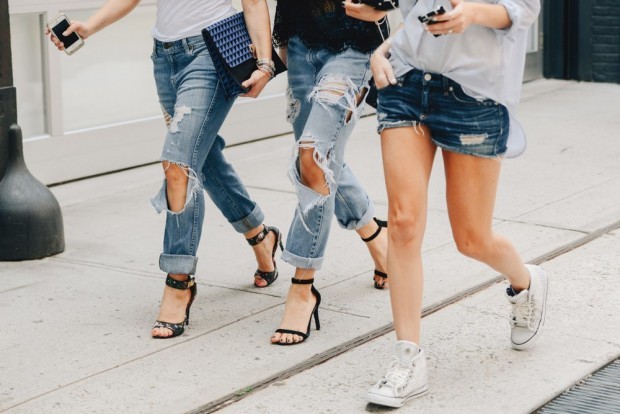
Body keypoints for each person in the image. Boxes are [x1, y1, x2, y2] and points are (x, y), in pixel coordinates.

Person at [48, 0, 284, 339]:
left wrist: (264, 63)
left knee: (178, 165)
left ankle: (179, 280)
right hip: (165, 56)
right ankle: (260, 234)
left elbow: (253, 2)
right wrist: (90, 26)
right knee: (199, 157)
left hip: (210, 53)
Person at [366, 0, 546, 408]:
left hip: (474, 95)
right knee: (403, 222)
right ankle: (407, 359)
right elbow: (414, 12)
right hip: (406, 83)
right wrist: (382, 50)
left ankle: (526, 282)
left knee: (472, 238)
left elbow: (524, 9)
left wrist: (473, 13)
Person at [269, 0, 395, 346]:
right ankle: (377, 237)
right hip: (299, 44)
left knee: (314, 159)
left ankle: (302, 289)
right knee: (321, 163)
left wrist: (383, 7)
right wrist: (276, 47)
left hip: (354, 46)